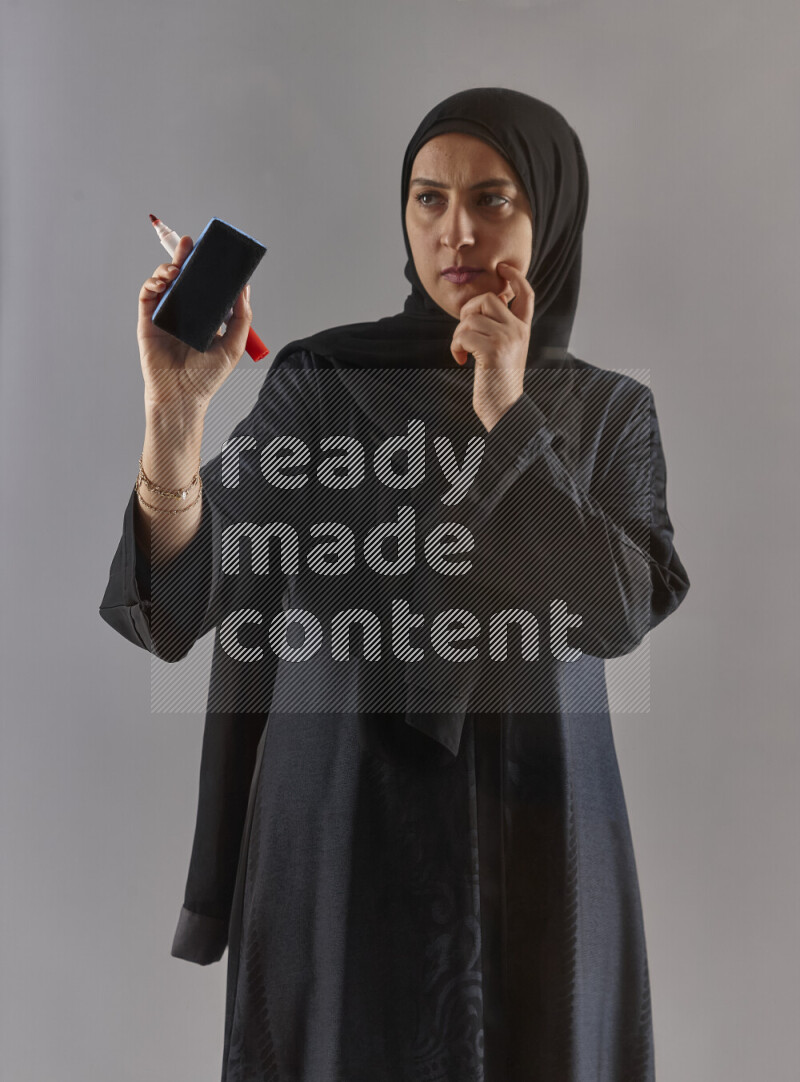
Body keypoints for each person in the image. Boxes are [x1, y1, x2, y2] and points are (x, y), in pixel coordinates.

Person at [100, 87, 690, 1082]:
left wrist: (506, 411)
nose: (453, 229)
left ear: (547, 213)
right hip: (340, 828)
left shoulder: (606, 413)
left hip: (537, 835)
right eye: (426, 199)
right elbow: (184, 595)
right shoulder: (323, 384)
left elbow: (614, 606)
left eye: (490, 198)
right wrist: (174, 417)